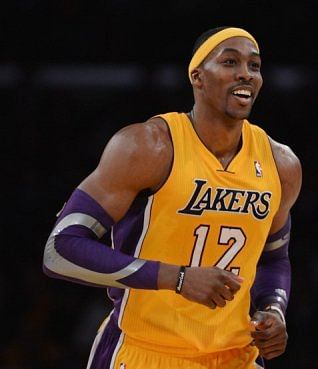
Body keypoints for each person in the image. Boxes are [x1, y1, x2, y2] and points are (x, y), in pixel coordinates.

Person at [43, 26, 302, 369]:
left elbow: (273, 259)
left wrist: (273, 308)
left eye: (254, 66)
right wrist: (176, 277)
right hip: (146, 352)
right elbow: (60, 250)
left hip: (235, 357)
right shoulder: (148, 147)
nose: (245, 73)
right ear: (197, 76)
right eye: (229, 62)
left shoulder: (281, 164)